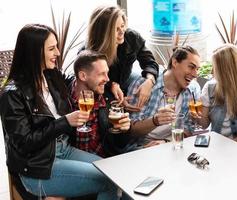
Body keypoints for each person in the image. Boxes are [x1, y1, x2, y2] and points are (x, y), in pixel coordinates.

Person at [0, 24, 118, 199]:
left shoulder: (51, 76)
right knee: (108, 180)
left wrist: (110, 84)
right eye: (51, 48)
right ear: (34, 52)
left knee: (116, 174)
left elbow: (76, 78)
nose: (58, 53)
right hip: (38, 166)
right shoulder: (12, 94)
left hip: (64, 150)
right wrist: (65, 122)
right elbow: (24, 142)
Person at [126, 46, 201, 149]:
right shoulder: (144, 85)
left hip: (172, 144)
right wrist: (155, 121)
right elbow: (130, 130)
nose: (195, 74)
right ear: (175, 63)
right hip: (142, 146)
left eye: (197, 69)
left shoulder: (193, 90)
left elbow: (189, 128)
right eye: (191, 67)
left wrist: (166, 142)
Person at [86, 5, 159, 108]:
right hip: (104, 88)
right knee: (109, 112)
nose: (122, 32)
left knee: (158, 81)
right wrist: (112, 86)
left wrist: (149, 82)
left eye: (123, 25)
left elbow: (149, 62)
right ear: (104, 33)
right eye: (116, 30)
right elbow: (92, 82)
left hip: (125, 80)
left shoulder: (131, 37)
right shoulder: (88, 53)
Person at [68, 49, 131, 157]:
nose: (107, 79)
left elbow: (120, 145)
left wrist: (123, 130)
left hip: (102, 160)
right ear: (83, 76)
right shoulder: (62, 96)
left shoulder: (110, 99)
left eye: (107, 73)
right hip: (70, 160)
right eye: (102, 74)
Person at [190, 44, 237, 143]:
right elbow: (204, 125)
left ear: (226, 70)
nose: (211, 72)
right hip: (216, 143)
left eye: (215, 67)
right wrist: (196, 116)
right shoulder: (210, 87)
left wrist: (224, 146)